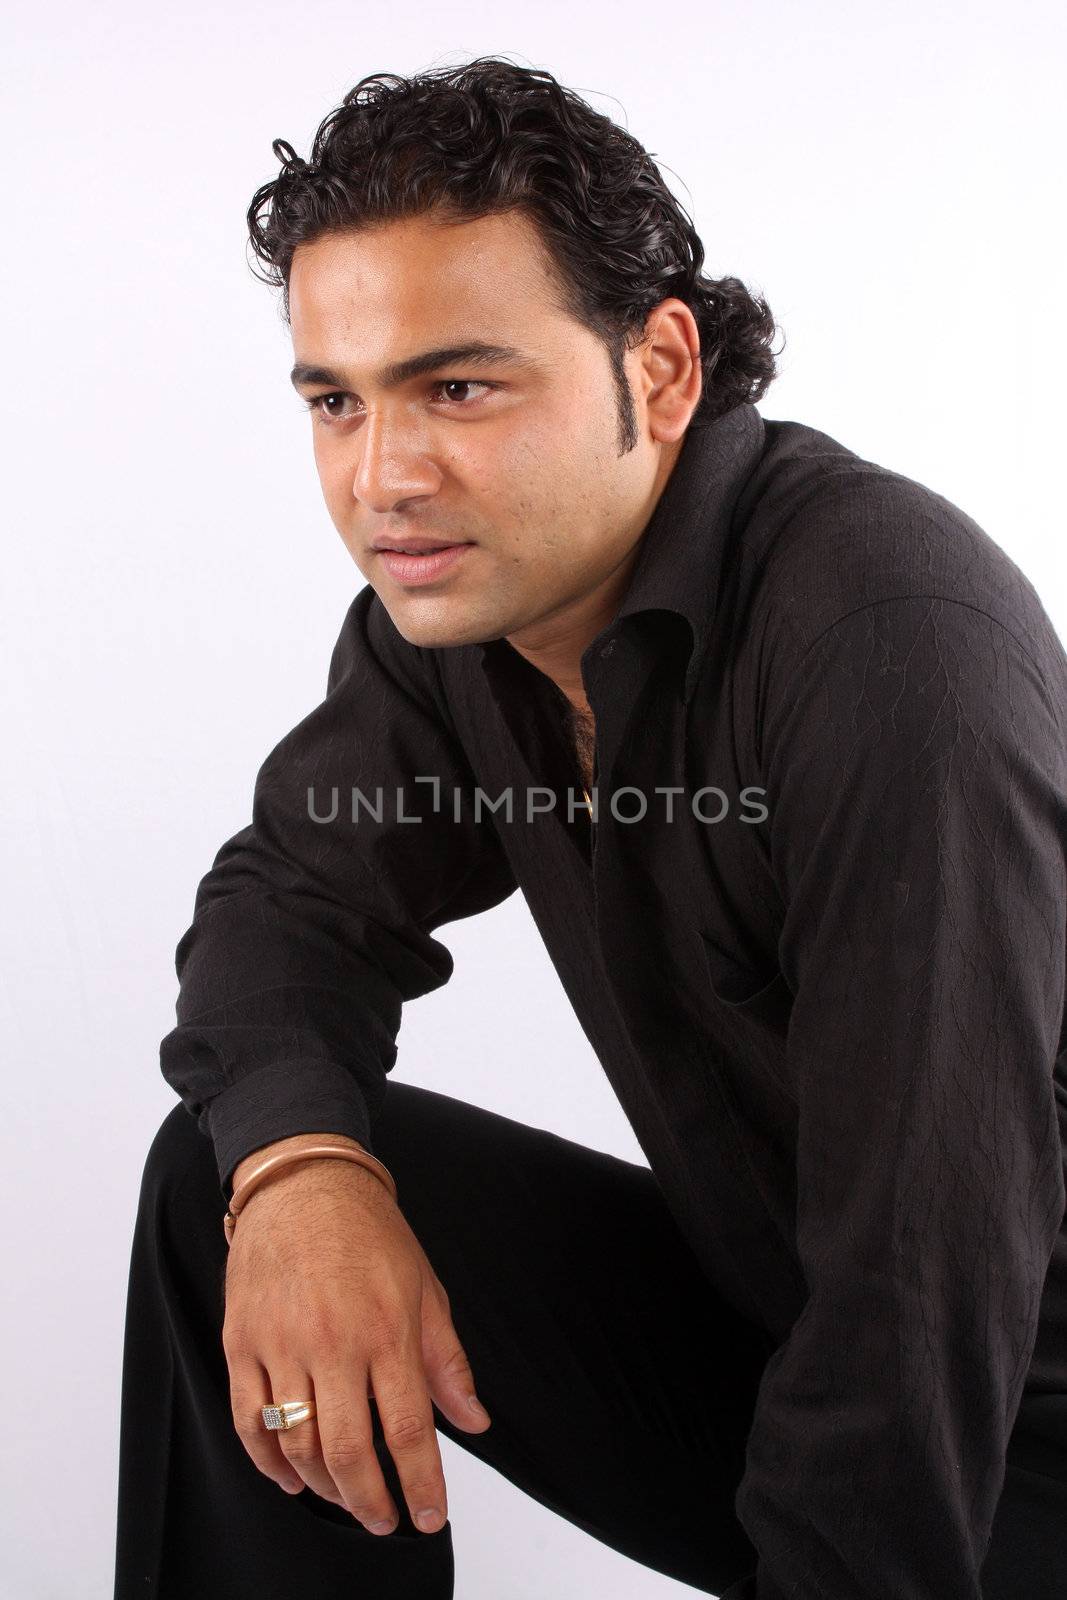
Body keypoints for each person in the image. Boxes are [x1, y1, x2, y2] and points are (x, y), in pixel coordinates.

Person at [113, 56, 1067, 1600]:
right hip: (783, 1342)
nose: (384, 478)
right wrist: (299, 1176)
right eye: (337, 402)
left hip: (1007, 1426)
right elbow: (289, 906)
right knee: (233, 1184)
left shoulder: (893, 644)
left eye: (460, 387)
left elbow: (926, 1286)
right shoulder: (461, 619)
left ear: (664, 369)